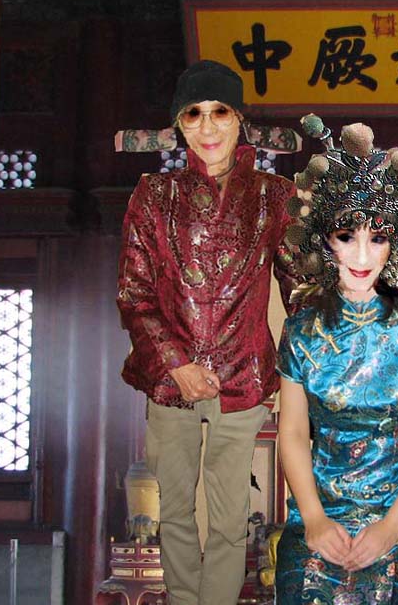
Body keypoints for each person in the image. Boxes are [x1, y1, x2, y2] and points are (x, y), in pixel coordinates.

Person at [116, 59, 297, 605]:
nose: (208, 126)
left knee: (229, 520)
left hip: (242, 378)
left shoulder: (275, 195)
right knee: (173, 512)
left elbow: (300, 288)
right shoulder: (153, 194)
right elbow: (134, 294)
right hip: (169, 380)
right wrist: (176, 364)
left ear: (239, 120)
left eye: (220, 112)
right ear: (179, 125)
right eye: (194, 114)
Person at [274, 117, 398, 604]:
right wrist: (314, 519)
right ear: (324, 241)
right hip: (319, 513)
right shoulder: (301, 331)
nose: (361, 255)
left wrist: (391, 526)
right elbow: (291, 433)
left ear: (396, 244)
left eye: (377, 239)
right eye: (346, 236)